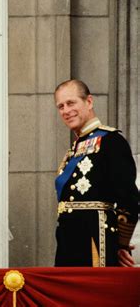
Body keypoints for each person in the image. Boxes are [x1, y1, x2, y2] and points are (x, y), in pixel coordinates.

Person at [54, 79, 138, 267]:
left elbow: (129, 199)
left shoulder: (111, 141)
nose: (66, 111)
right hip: (68, 241)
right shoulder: (74, 149)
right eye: (60, 106)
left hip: (95, 238)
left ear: (89, 102)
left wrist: (121, 244)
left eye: (71, 103)